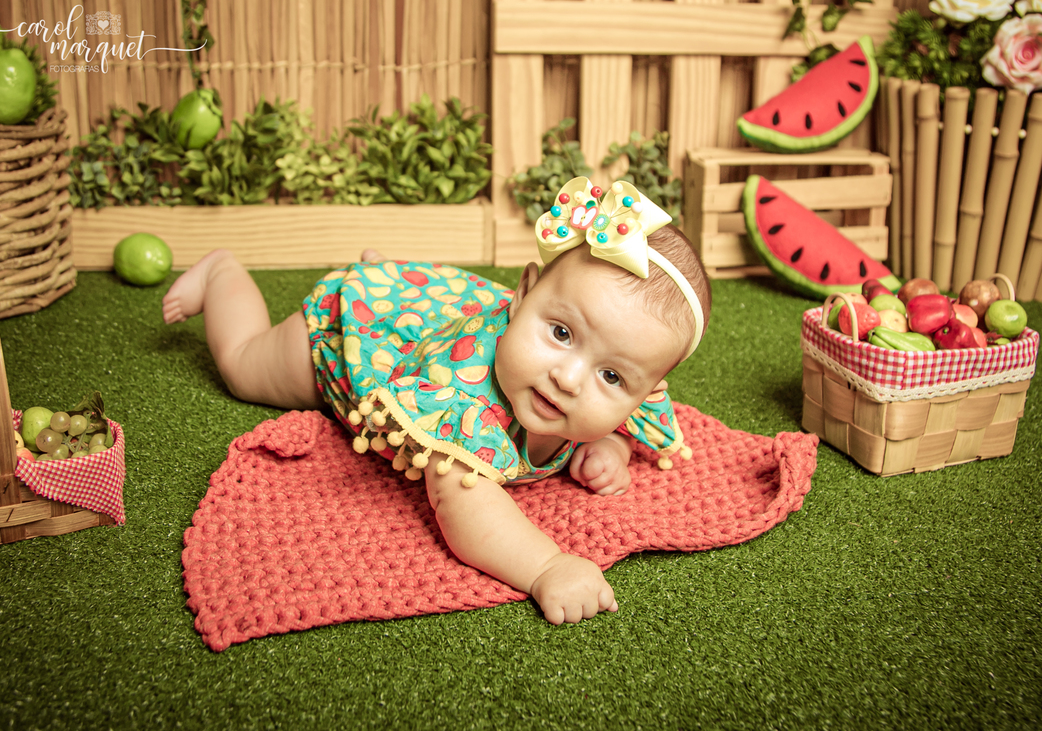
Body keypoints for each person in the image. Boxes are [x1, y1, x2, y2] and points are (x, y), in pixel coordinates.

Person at [163, 177, 711, 625]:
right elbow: (466, 510)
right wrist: (548, 566)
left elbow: (614, 402)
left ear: (646, 390)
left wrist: (610, 443)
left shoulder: (580, 371)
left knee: (577, 365)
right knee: (243, 368)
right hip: (356, 335)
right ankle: (222, 273)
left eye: (612, 375)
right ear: (522, 295)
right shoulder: (460, 400)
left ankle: (394, 273)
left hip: (433, 306)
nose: (568, 378)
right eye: (562, 334)